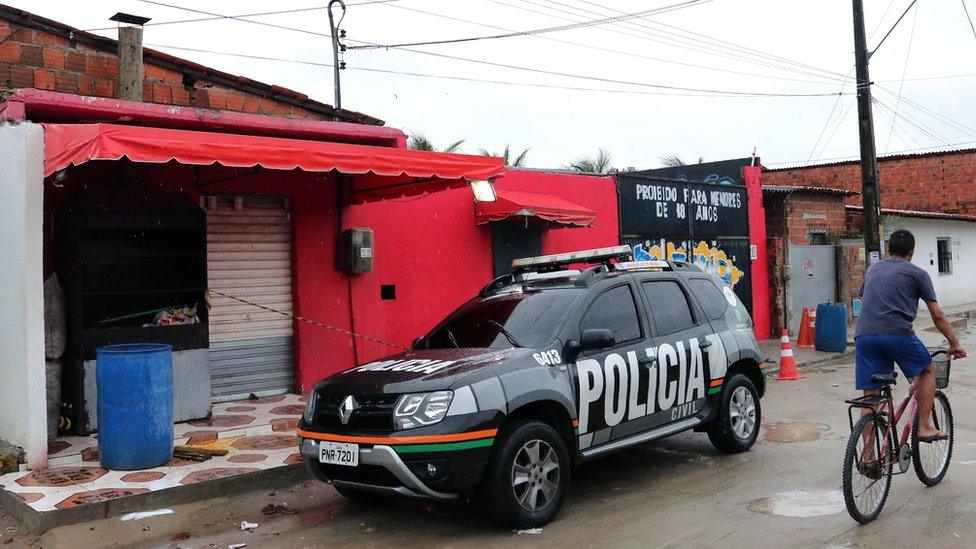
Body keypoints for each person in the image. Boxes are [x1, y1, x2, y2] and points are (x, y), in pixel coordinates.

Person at [856, 229, 966, 441]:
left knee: (870, 397)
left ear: (888, 250)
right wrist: (954, 343)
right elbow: (937, 314)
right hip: (896, 334)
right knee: (927, 370)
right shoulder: (918, 274)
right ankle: (923, 426)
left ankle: (868, 456)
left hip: (864, 335)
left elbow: (868, 297)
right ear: (912, 252)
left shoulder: (873, 270)